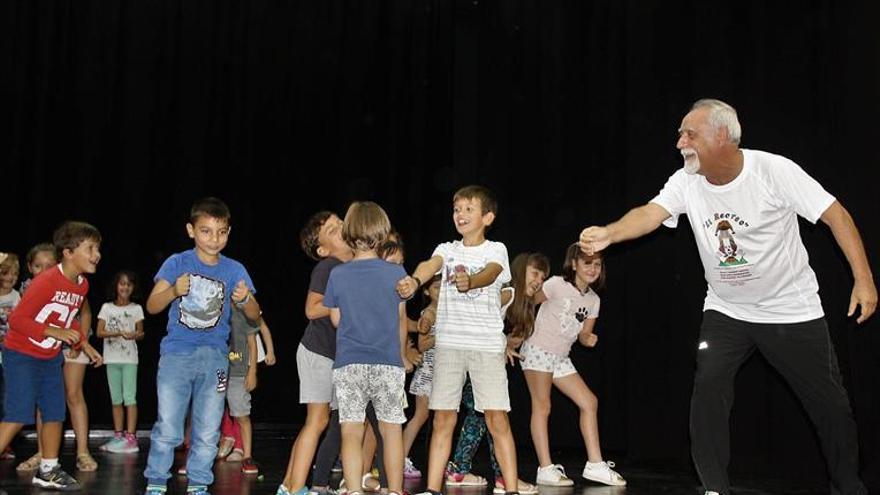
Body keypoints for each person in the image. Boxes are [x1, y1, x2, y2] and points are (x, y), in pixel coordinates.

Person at [579, 98, 877, 495]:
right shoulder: (686, 180)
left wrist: (864, 280)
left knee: (831, 409)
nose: (680, 141)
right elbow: (651, 213)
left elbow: (835, 215)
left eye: (690, 133)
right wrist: (611, 232)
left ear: (723, 136)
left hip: (791, 309)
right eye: (680, 133)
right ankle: (714, 488)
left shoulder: (772, 171)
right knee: (708, 393)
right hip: (727, 310)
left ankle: (848, 486)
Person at [398, 185, 520, 495]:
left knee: (496, 418)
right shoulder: (447, 249)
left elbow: (492, 274)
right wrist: (414, 280)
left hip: (486, 345)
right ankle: (433, 489)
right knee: (442, 419)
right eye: (457, 209)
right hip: (449, 345)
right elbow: (430, 266)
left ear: (487, 217)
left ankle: (513, 487)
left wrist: (471, 281)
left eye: (468, 209)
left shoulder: (497, 250)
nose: (461, 214)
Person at [143, 197, 260, 495]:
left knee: (209, 428)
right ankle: (156, 481)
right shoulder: (177, 262)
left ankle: (199, 484)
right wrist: (172, 290)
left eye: (221, 231)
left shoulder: (235, 269)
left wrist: (245, 299)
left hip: (216, 360)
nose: (214, 238)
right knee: (169, 425)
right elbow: (152, 305)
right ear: (191, 230)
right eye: (206, 231)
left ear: (229, 233)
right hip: (176, 355)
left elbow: (255, 315)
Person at [0, 221, 102, 490]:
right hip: (21, 355)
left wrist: (84, 343)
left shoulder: (82, 286)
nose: (97, 255)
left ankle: (48, 470)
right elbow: (18, 319)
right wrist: (52, 331)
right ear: (68, 252)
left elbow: (66, 319)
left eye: (98, 249)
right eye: (90, 249)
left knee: (55, 413)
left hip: (49, 357)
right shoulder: (46, 282)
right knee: (17, 415)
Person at [324, 201, 409, 495]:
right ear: (382, 233)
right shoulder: (396, 273)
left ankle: (354, 490)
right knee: (391, 429)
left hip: (349, 363)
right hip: (388, 363)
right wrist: (401, 356)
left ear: (348, 233)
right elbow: (400, 321)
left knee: (350, 430)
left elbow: (336, 319)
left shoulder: (338, 275)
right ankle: (395, 490)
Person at [522, 245, 624, 487]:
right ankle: (545, 468)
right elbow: (527, 304)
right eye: (587, 262)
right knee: (542, 406)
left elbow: (584, 335)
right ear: (574, 264)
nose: (592, 268)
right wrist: (515, 336)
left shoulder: (593, 300)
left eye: (597, 264)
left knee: (589, 402)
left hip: (560, 357)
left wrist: (587, 339)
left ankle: (595, 465)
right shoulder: (556, 284)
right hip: (538, 350)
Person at [276, 211, 353, 495]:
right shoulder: (329, 266)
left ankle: (287, 484)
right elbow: (312, 308)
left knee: (317, 420)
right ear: (322, 249)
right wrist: (343, 302)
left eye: (340, 224)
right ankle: (296, 488)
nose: (342, 229)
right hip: (317, 352)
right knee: (318, 420)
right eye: (332, 231)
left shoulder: (352, 266)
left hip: (334, 356)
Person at [96, 270, 145, 454]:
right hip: (111, 359)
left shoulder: (136, 308)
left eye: (129, 284)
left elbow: (141, 333)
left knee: (129, 398)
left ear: (133, 288)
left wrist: (135, 335)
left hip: (129, 359)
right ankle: (118, 436)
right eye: (122, 283)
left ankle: (131, 437)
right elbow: (99, 331)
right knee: (116, 399)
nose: (125, 287)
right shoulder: (107, 308)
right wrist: (118, 333)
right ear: (116, 286)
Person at [0, 253, 22, 460]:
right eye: (6, 273)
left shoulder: (17, 297)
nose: (10, 278)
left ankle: (4, 443)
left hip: (9, 353)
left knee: (7, 397)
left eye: (15, 274)